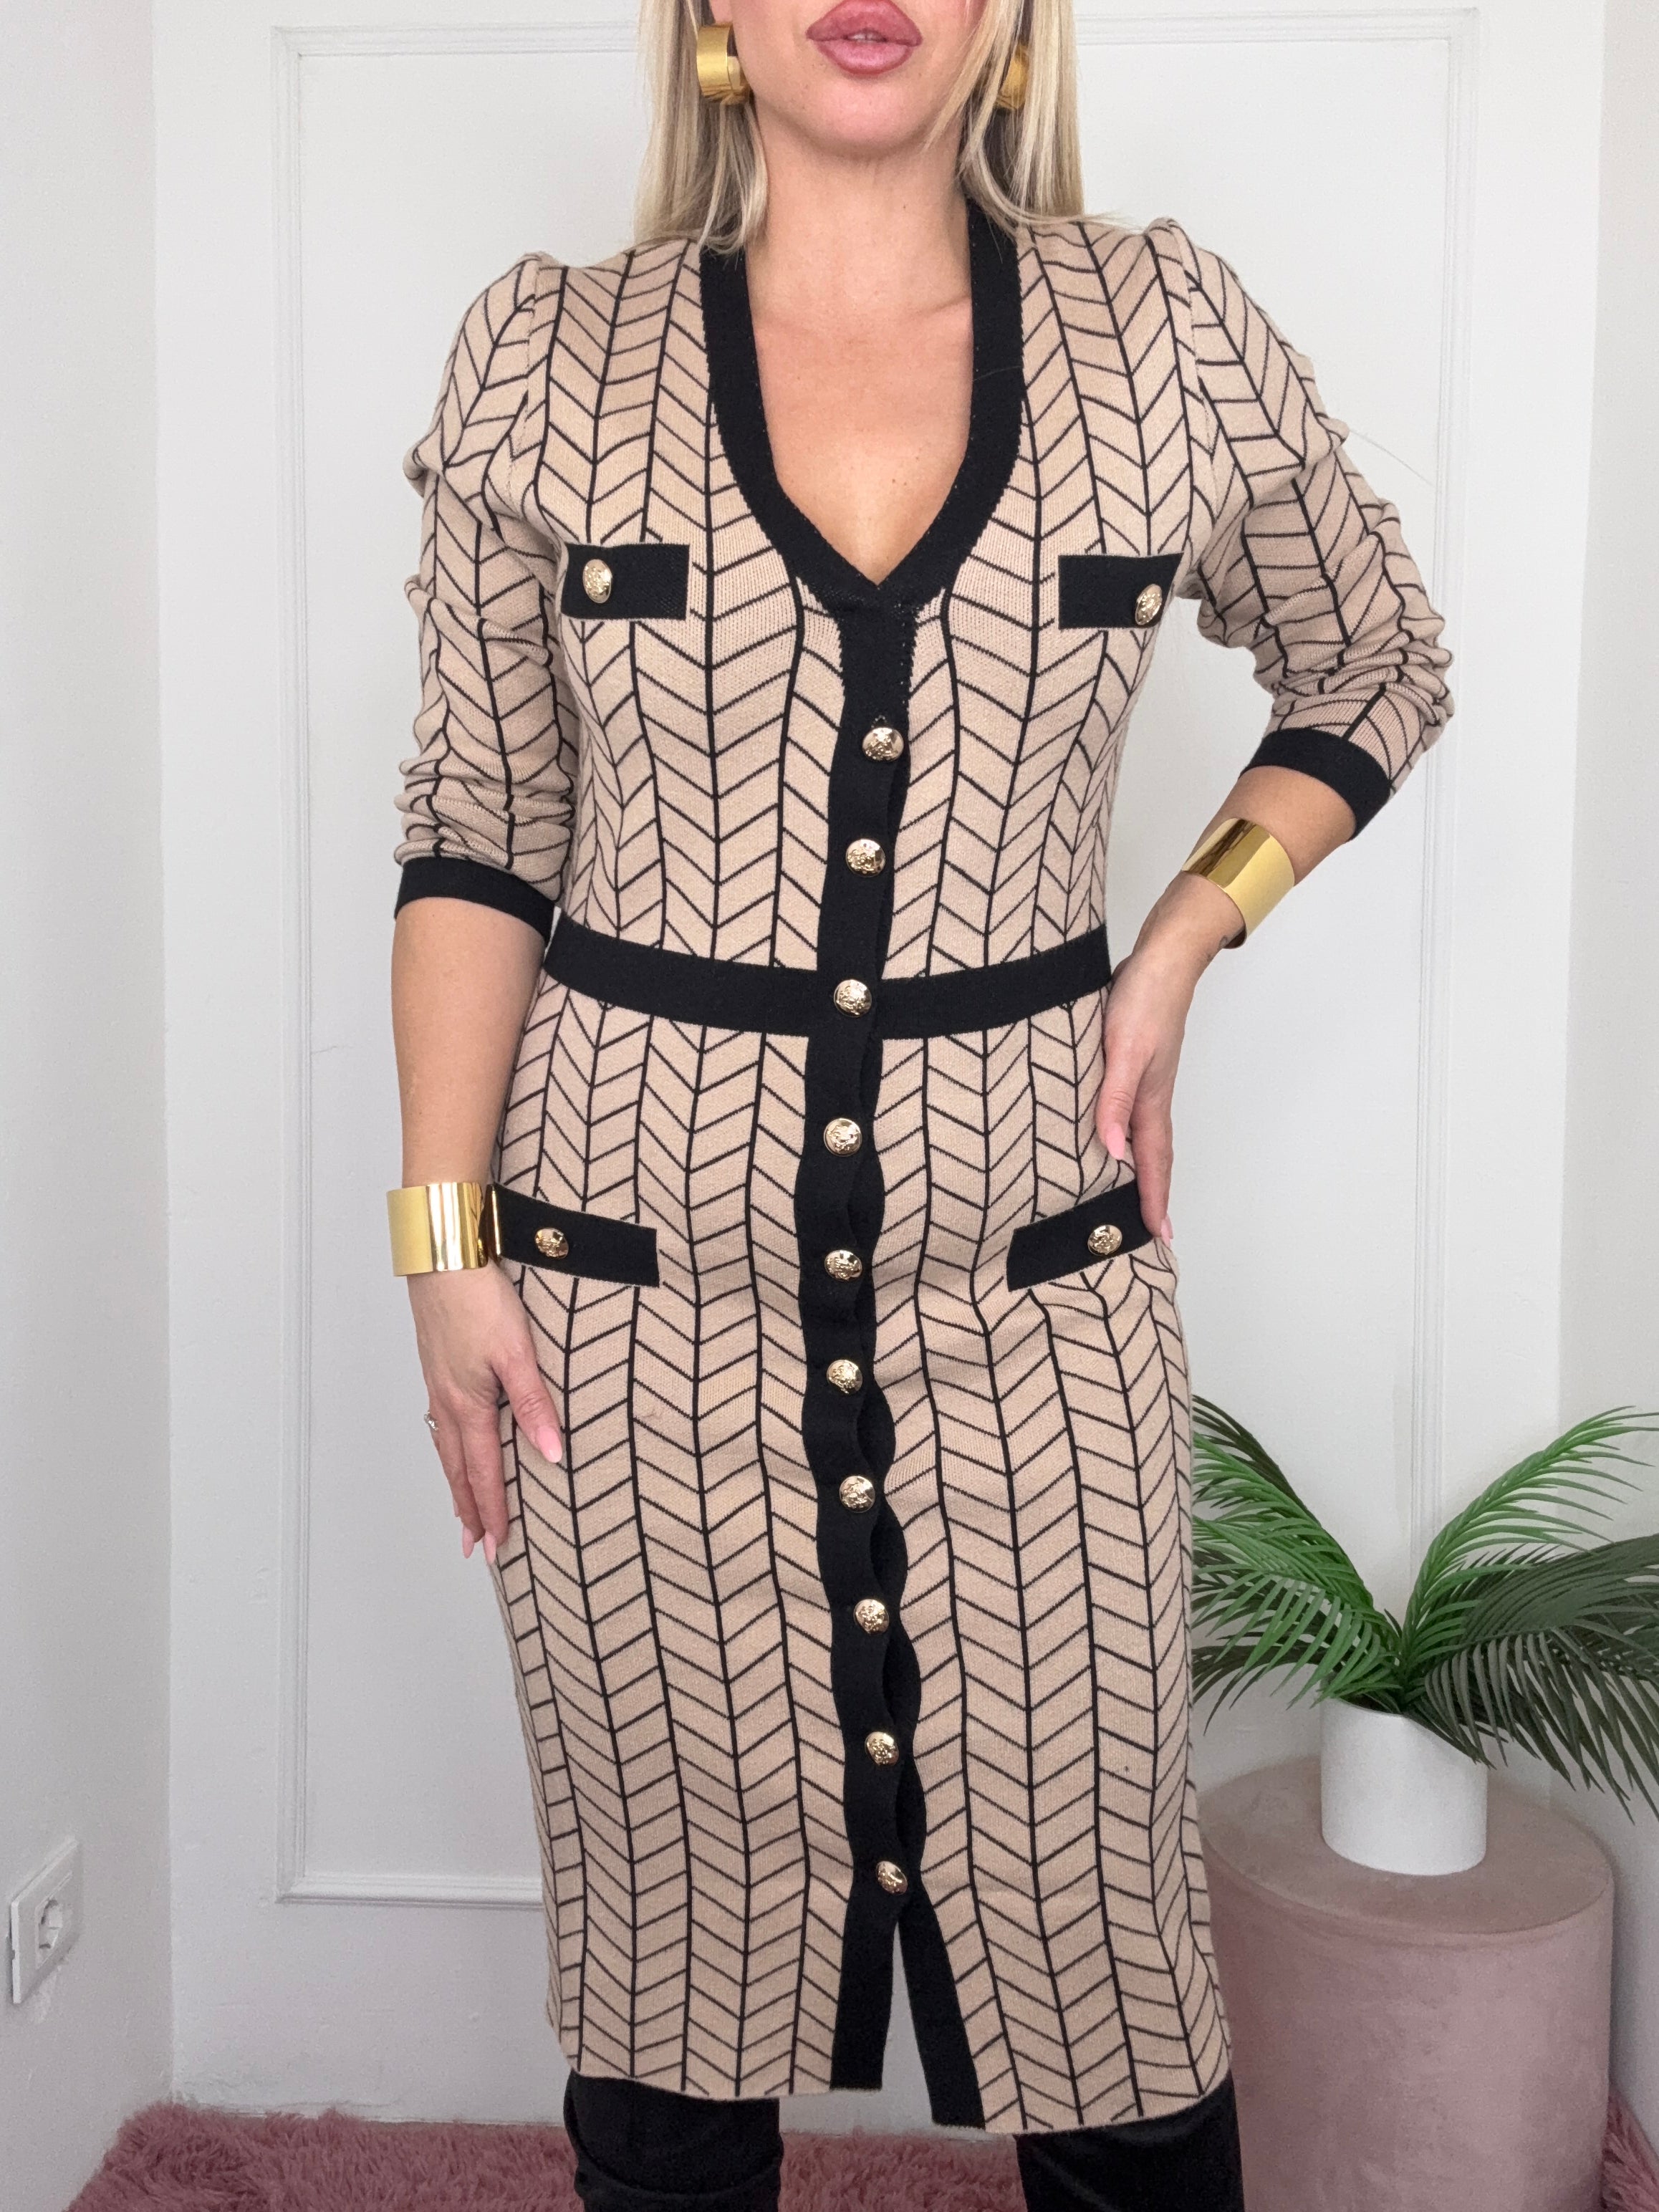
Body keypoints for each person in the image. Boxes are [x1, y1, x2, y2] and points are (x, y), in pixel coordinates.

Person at [384, 0, 1453, 2204]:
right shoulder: (546, 357)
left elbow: (1374, 657)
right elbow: (482, 823)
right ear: (706, 15)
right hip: (624, 1320)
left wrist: (1188, 924)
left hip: (1033, 1297)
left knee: (1107, 1984)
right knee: (670, 1991)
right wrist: (440, 1245)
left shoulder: (1159, 334)